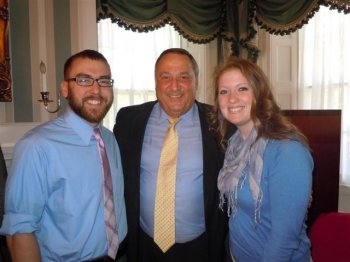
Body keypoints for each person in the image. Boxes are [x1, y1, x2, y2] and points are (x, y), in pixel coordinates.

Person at [0, 49, 127, 261]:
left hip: (121, 254)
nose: (96, 89)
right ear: (65, 89)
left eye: (104, 81)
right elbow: (20, 231)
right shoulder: (36, 147)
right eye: (84, 80)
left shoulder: (109, 139)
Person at [113, 48, 228, 262]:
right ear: (156, 82)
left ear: (196, 82)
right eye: (165, 77)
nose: (174, 86)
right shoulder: (129, 120)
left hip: (201, 247)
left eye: (183, 77)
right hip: (144, 244)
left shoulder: (221, 122)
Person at [209, 57, 313, 261]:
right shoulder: (235, 145)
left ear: (259, 93)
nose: (232, 99)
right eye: (224, 91)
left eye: (242, 89)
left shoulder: (287, 150)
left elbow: (284, 241)